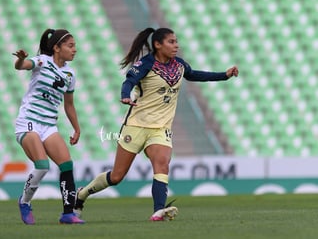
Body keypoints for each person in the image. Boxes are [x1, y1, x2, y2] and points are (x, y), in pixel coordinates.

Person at [73, 27, 239, 221]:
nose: (176, 45)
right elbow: (129, 81)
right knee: (117, 177)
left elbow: (194, 74)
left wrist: (224, 75)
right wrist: (125, 96)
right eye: (171, 42)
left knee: (162, 164)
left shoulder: (179, 64)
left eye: (176, 41)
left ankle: (158, 211)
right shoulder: (145, 64)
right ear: (157, 45)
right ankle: (81, 195)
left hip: (160, 129)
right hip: (135, 126)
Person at [13, 28, 84, 225]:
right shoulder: (42, 61)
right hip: (28, 122)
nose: (74, 50)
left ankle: (68, 214)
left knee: (66, 165)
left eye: (75, 46)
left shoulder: (70, 74)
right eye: (70, 46)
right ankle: (24, 202)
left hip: (48, 125)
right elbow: (22, 66)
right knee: (43, 166)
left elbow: (69, 104)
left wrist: (76, 128)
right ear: (57, 48)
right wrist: (20, 59)